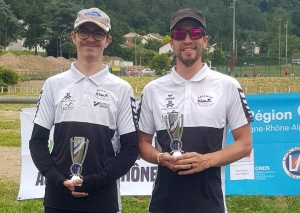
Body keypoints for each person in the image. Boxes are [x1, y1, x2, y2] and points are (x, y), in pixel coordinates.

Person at [138, 8, 253, 213]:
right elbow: (142, 143)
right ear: (172, 42)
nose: (188, 39)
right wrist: (160, 158)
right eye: (180, 34)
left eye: (195, 33)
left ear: (205, 40)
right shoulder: (153, 90)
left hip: (210, 203)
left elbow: (244, 143)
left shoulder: (227, 85)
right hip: (163, 204)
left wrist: (206, 161)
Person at [29, 8, 138, 213]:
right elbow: (37, 142)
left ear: (107, 40)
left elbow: (130, 149)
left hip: (102, 200)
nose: (90, 38)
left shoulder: (122, 89)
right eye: (84, 32)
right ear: (73, 36)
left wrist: (98, 180)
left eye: (98, 33)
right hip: (57, 199)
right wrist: (57, 178)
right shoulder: (53, 84)